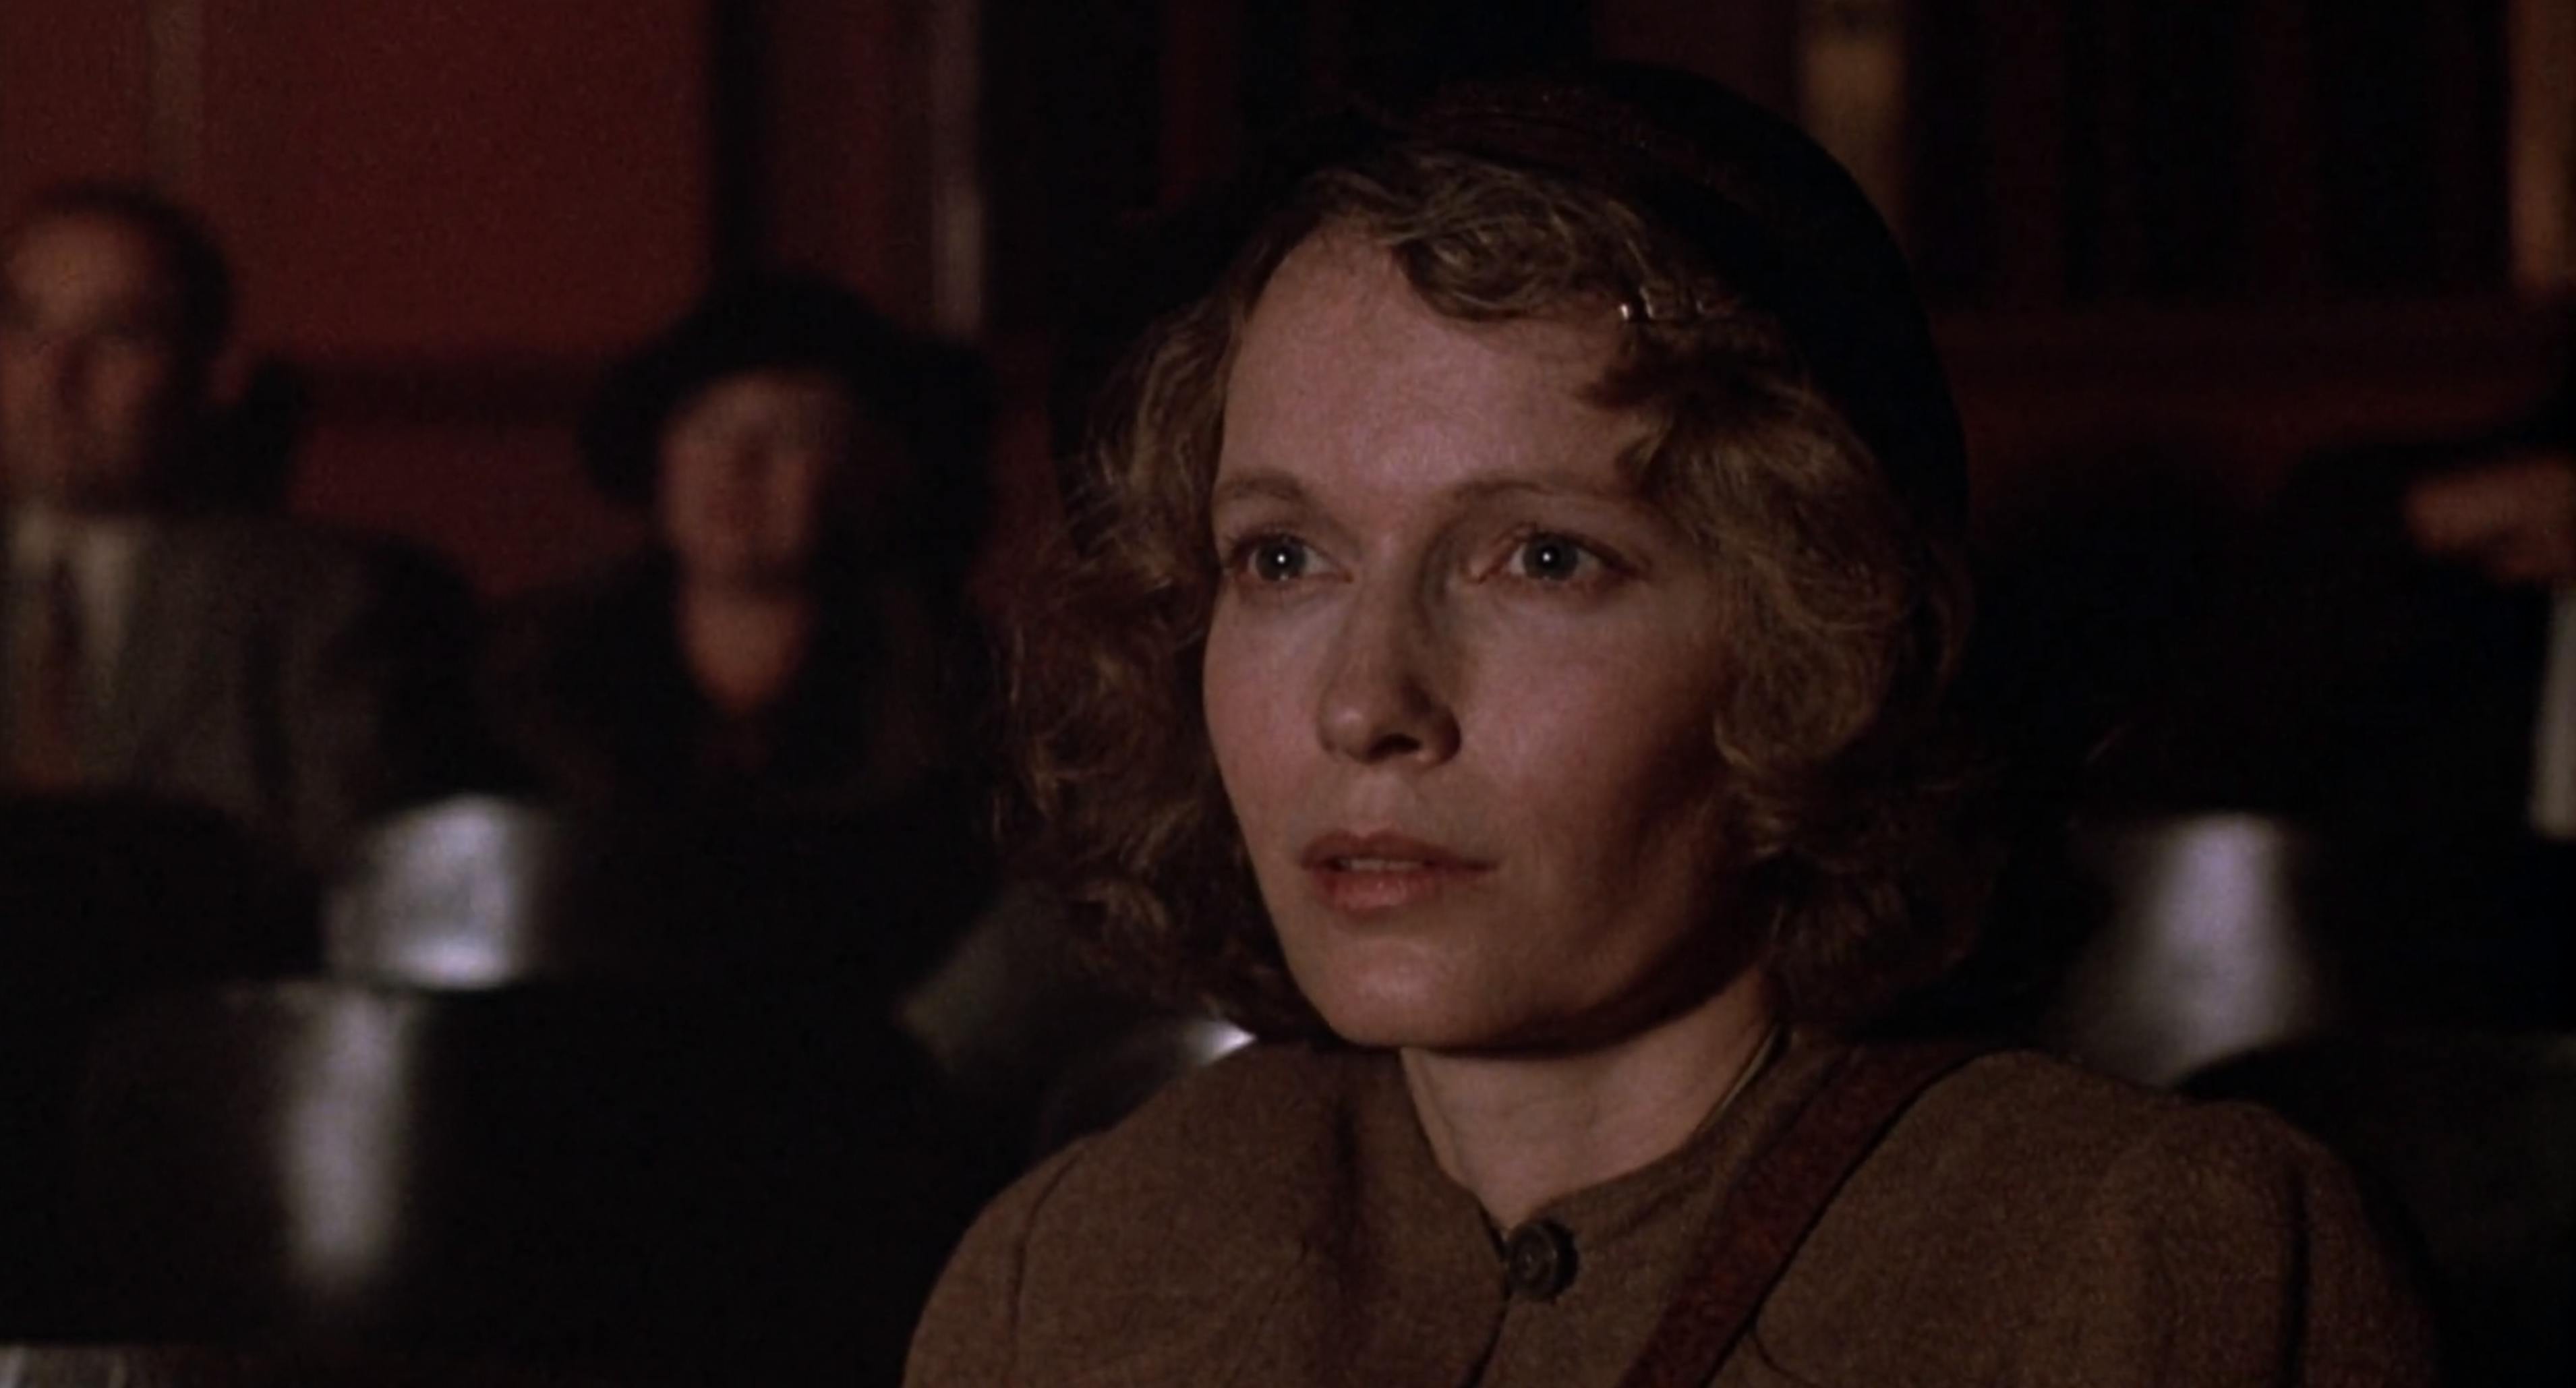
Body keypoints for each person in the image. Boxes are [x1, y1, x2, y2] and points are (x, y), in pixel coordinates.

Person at [907, 66, 2436, 1386]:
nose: (1365, 702)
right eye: (1284, 558)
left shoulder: (2153, 1265)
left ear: (1807, 638)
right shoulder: (1074, 1273)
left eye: (1542, 558)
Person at [481, 274, 994, 983]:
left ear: (869, 468)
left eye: (791, 434)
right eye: (706, 424)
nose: (736, 464)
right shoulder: (535, 671)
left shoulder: (945, 687)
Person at [0, 181, 478, 871]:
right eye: (23, 326)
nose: (56, 379)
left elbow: (350, 865)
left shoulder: (313, 598)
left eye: (120, 334)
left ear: (215, 372)